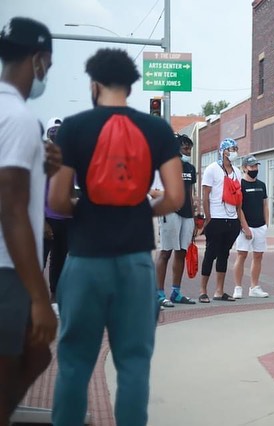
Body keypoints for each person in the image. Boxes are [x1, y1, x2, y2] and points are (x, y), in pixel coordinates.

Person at [48, 48, 184, 426]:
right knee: (134, 363)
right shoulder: (157, 129)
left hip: (85, 258)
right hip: (136, 260)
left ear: (94, 84)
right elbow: (174, 196)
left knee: (75, 361)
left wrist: (87, 212)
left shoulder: (73, 127)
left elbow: (58, 199)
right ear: (130, 85)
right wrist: (141, 210)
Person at [0, 16, 58, 423]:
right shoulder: (18, 118)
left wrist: (42, 169)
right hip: (8, 270)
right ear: (38, 59)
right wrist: (40, 298)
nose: (47, 75)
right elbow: (12, 207)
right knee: (29, 354)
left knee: (36, 354)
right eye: (49, 67)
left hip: (9, 267)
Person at [151, 134, 198, 308]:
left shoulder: (190, 168)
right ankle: (159, 294)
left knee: (181, 253)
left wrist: (194, 217)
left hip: (187, 215)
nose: (188, 152)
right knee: (165, 252)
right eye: (186, 149)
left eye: (190, 149)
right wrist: (169, 197)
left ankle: (176, 293)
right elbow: (151, 190)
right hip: (169, 213)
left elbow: (191, 194)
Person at [199, 138, 242, 303]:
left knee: (224, 254)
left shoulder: (237, 171)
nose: (235, 151)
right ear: (224, 151)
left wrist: (238, 218)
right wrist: (208, 217)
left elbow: (238, 196)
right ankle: (203, 290)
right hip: (216, 217)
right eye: (232, 148)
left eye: (236, 148)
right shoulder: (212, 169)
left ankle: (219, 290)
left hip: (231, 219)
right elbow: (205, 195)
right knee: (210, 253)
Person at [232, 155, 270, 299]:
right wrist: (245, 227)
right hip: (245, 227)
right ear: (244, 168)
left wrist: (266, 224)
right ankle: (238, 287)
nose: (254, 169)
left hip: (260, 226)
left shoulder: (262, 185)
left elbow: (265, 205)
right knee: (242, 255)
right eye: (251, 166)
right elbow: (238, 208)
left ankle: (254, 287)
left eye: (256, 166)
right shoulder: (240, 185)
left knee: (258, 256)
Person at [42, 117, 71, 304]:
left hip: (66, 219)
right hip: (47, 218)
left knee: (59, 259)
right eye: (53, 130)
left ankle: (55, 294)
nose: (57, 134)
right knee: (40, 259)